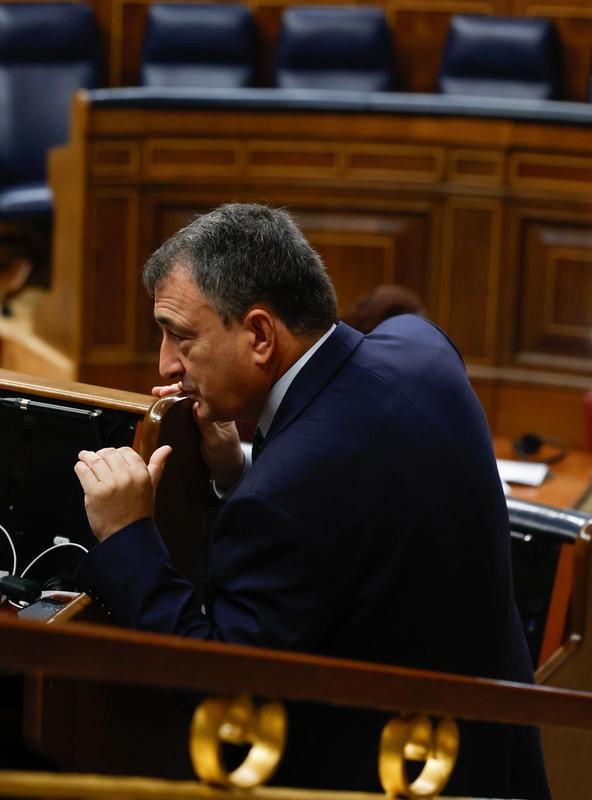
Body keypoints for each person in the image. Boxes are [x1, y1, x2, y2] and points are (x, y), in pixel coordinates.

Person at [71, 204, 548, 798]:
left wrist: (127, 537)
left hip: (387, 777)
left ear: (260, 335)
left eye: (181, 336)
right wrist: (238, 471)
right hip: (496, 755)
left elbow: (225, 691)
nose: (167, 362)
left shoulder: (281, 499)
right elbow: (341, 510)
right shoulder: (421, 348)